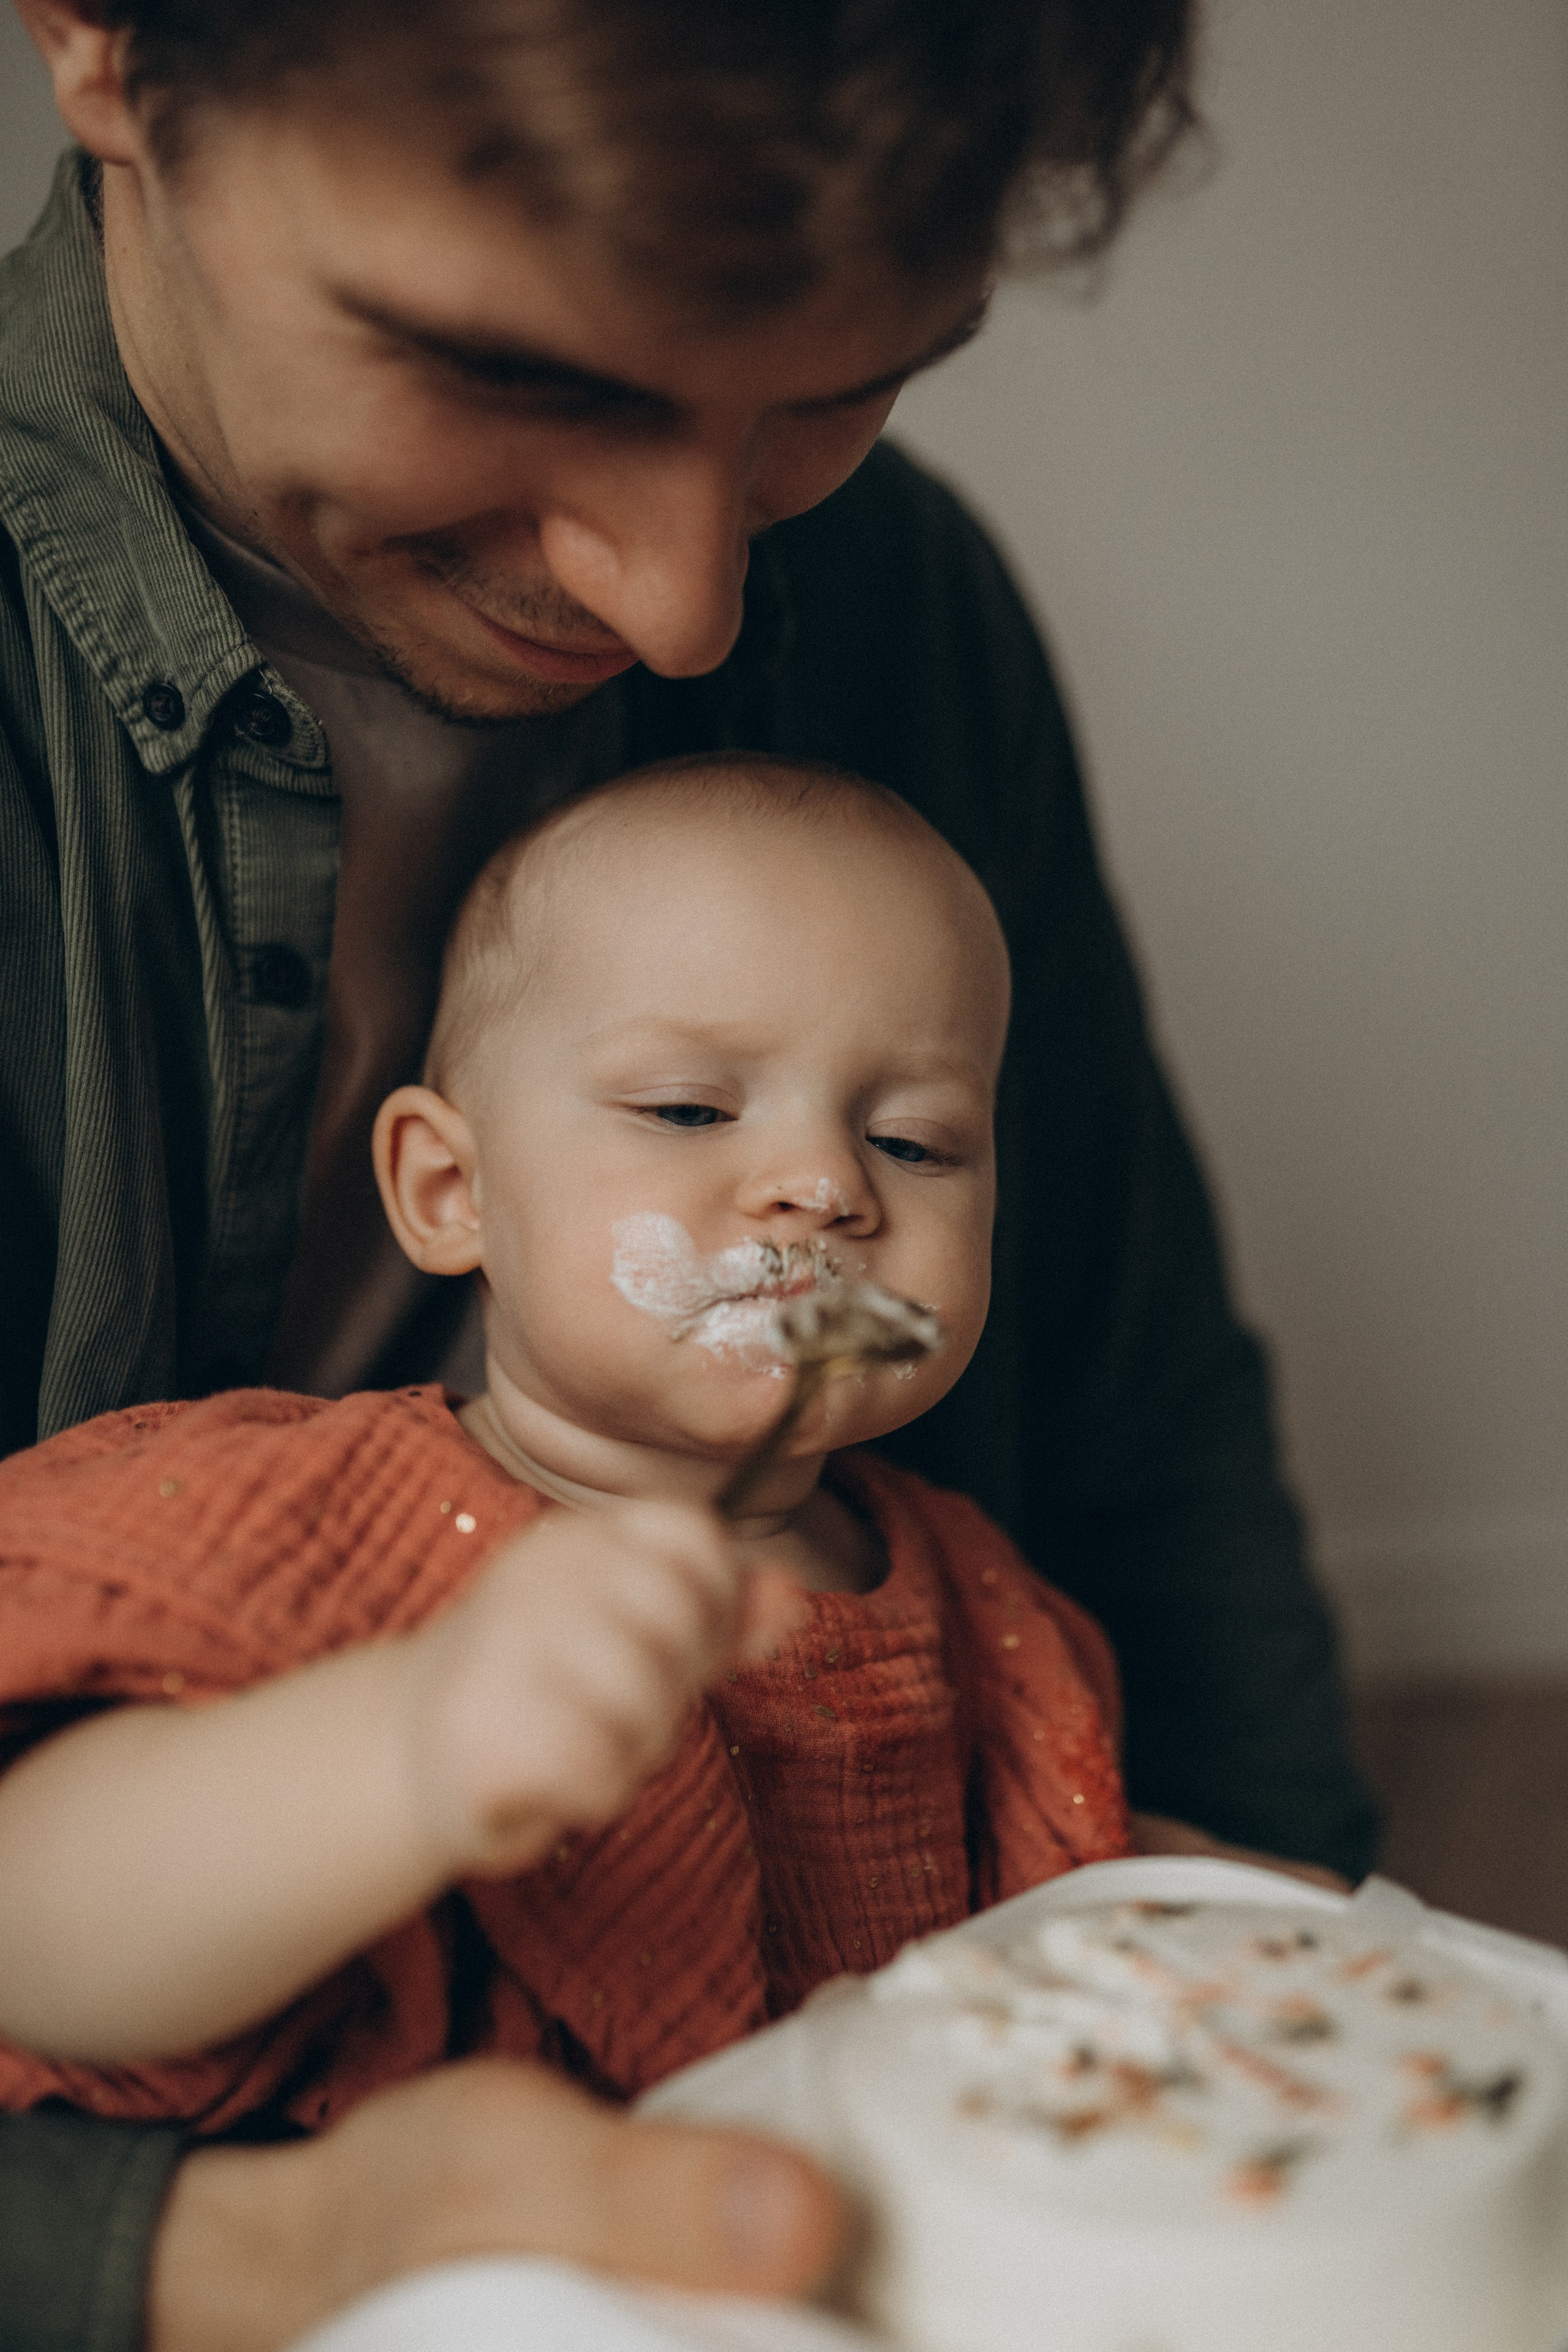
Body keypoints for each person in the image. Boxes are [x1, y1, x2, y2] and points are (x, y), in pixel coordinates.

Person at [0, 0, 1375, 2345]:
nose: (688, 609)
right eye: (517, 374)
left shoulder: (901, 608)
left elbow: (1142, 1441)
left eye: (841, 396)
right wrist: (226, 2253)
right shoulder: (260, 1530)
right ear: (102, 42)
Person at [0, 758, 1133, 2134]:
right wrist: (408, 1748)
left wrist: (1217, 1911)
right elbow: (29, 1933)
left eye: (915, 1140)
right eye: (688, 1112)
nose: (827, 1187)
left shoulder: (975, 1599)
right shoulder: (299, 1521)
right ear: (450, 1191)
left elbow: (1063, 1904)